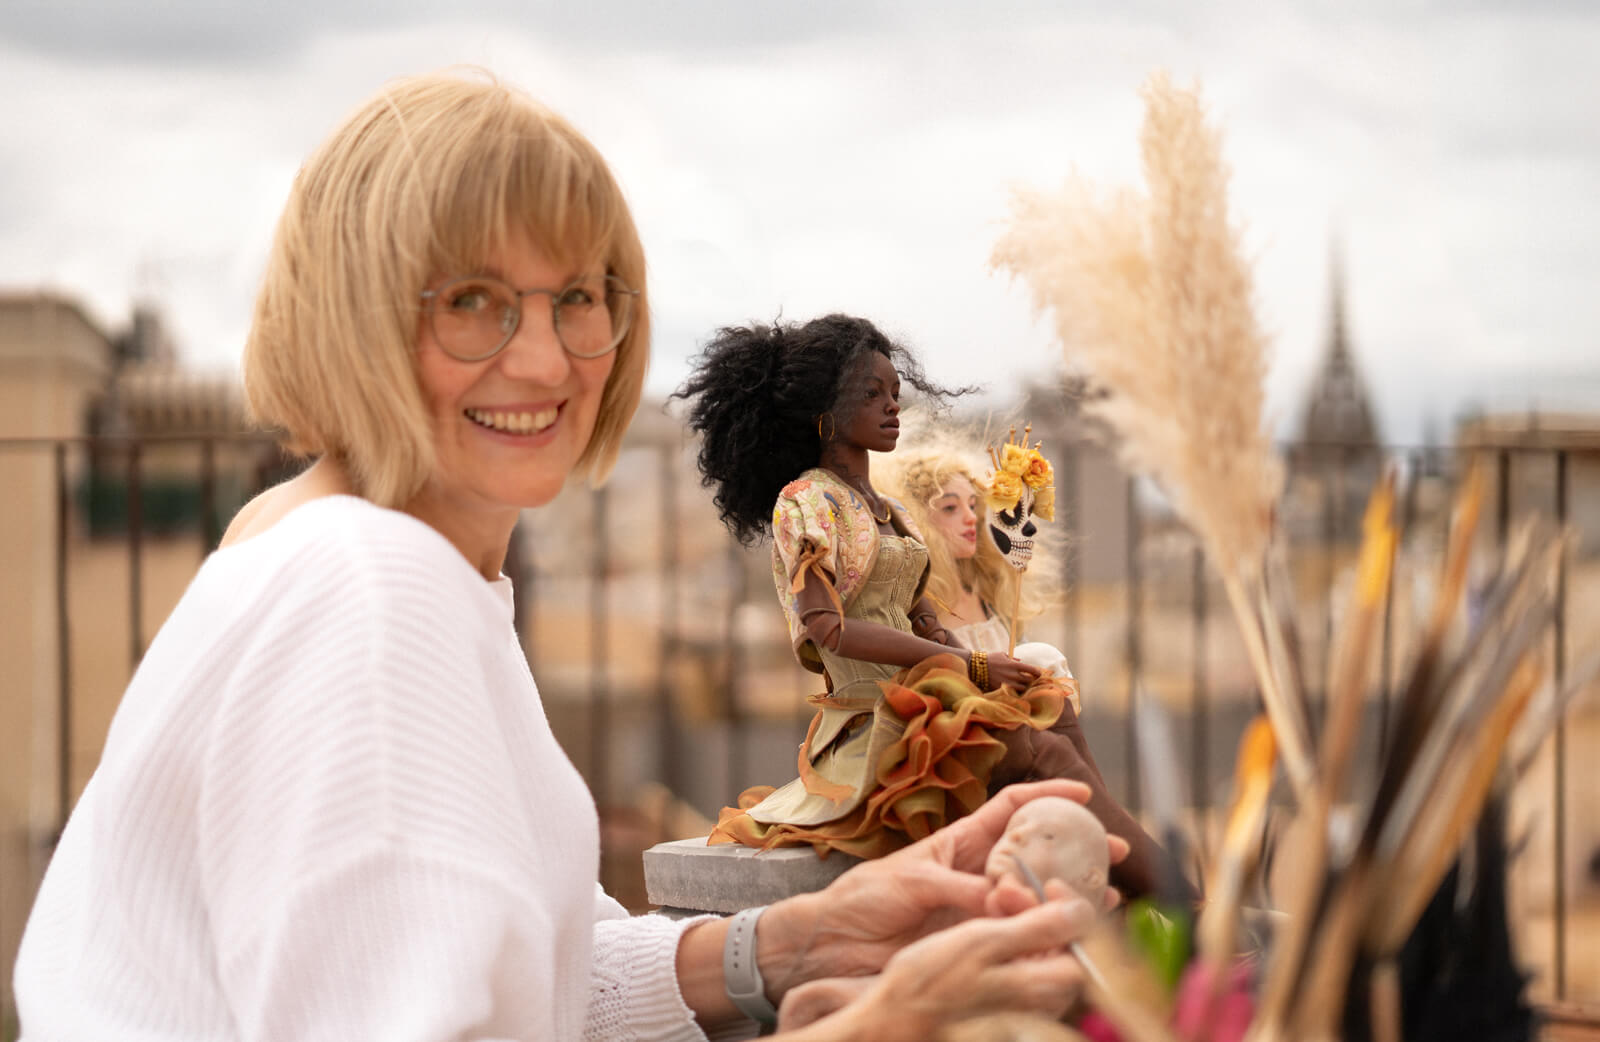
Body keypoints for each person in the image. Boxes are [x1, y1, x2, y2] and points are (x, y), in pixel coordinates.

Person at [13, 73, 1125, 1041]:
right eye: (474, 303)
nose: (544, 357)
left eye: (580, 296)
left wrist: (805, 935)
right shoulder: (366, 590)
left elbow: (529, 985)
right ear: (350, 320)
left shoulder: (360, 558)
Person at [676, 318, 1091, 862]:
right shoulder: (807, 502)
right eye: (871, 393)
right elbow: (827, 628)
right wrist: (968, 665)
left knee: (1049, 703)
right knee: (1029, 744)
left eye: (895, 392)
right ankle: (1137, 887)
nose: (893, 405)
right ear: (825, 412)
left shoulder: (890, 514)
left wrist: (974, 666)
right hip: (873, 716)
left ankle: (1119, 884)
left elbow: (923, 618)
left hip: (927, 690)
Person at [885, 448, 1198, 903]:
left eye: (973, 505)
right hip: (965, 738)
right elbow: (932, 683)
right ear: (918, 520)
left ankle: (1131, 870)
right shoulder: (920, 599)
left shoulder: (984, 590)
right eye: (949, 509)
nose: (969, 518)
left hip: (1019, 725)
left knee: (1061, 735)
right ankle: (1170, 893)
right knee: (1060, 755)